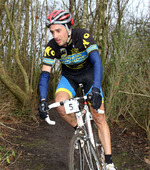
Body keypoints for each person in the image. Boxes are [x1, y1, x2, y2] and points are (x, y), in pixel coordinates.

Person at [38, 10, 116, 170]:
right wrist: (43, 100)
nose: (55, 35)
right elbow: (45, 75)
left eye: (58, 30)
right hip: (69, 78)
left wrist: (95, 89)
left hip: (89, 77)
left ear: (68, 28)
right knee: (60, 105)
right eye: (52, 32)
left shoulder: (83, 36)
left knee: (99, 117)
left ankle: (109, 162)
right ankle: (78, 130)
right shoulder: (52, 47)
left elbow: (97, 62)